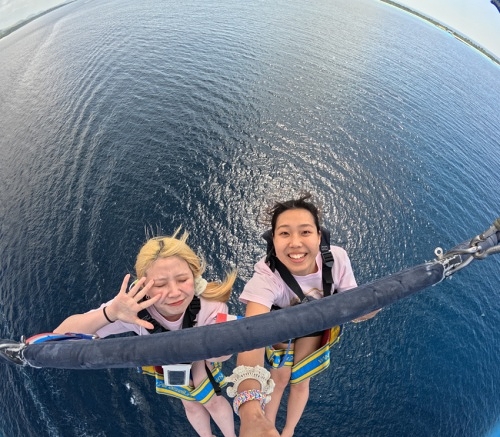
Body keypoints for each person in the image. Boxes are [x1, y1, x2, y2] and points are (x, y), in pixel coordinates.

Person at [54, 228, 238, 437]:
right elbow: (60, 336)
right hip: (168, 359)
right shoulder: (131, 309)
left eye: (182, 280)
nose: (174, 292)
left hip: (199, 355)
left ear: (194, 277)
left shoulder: (211, 305)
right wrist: (110, 313)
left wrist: (215, 346)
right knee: (190, 404)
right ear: (144, 286)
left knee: (211, 400)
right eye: (160, 284)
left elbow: (222, 355)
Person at [228, 193, 379, 437]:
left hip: (314, 325)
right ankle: (265, 424)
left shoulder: (337, 258)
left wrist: (368, 310)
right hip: (281, 325)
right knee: (278, 377)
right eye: (285, 233)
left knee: (300, 380)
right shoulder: (267, 275)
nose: (295, 243)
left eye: (305, 232)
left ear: (319, 236)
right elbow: (252, 336)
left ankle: (288, 431)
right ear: (273, 239)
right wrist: (249, 410)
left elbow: (352, 303)